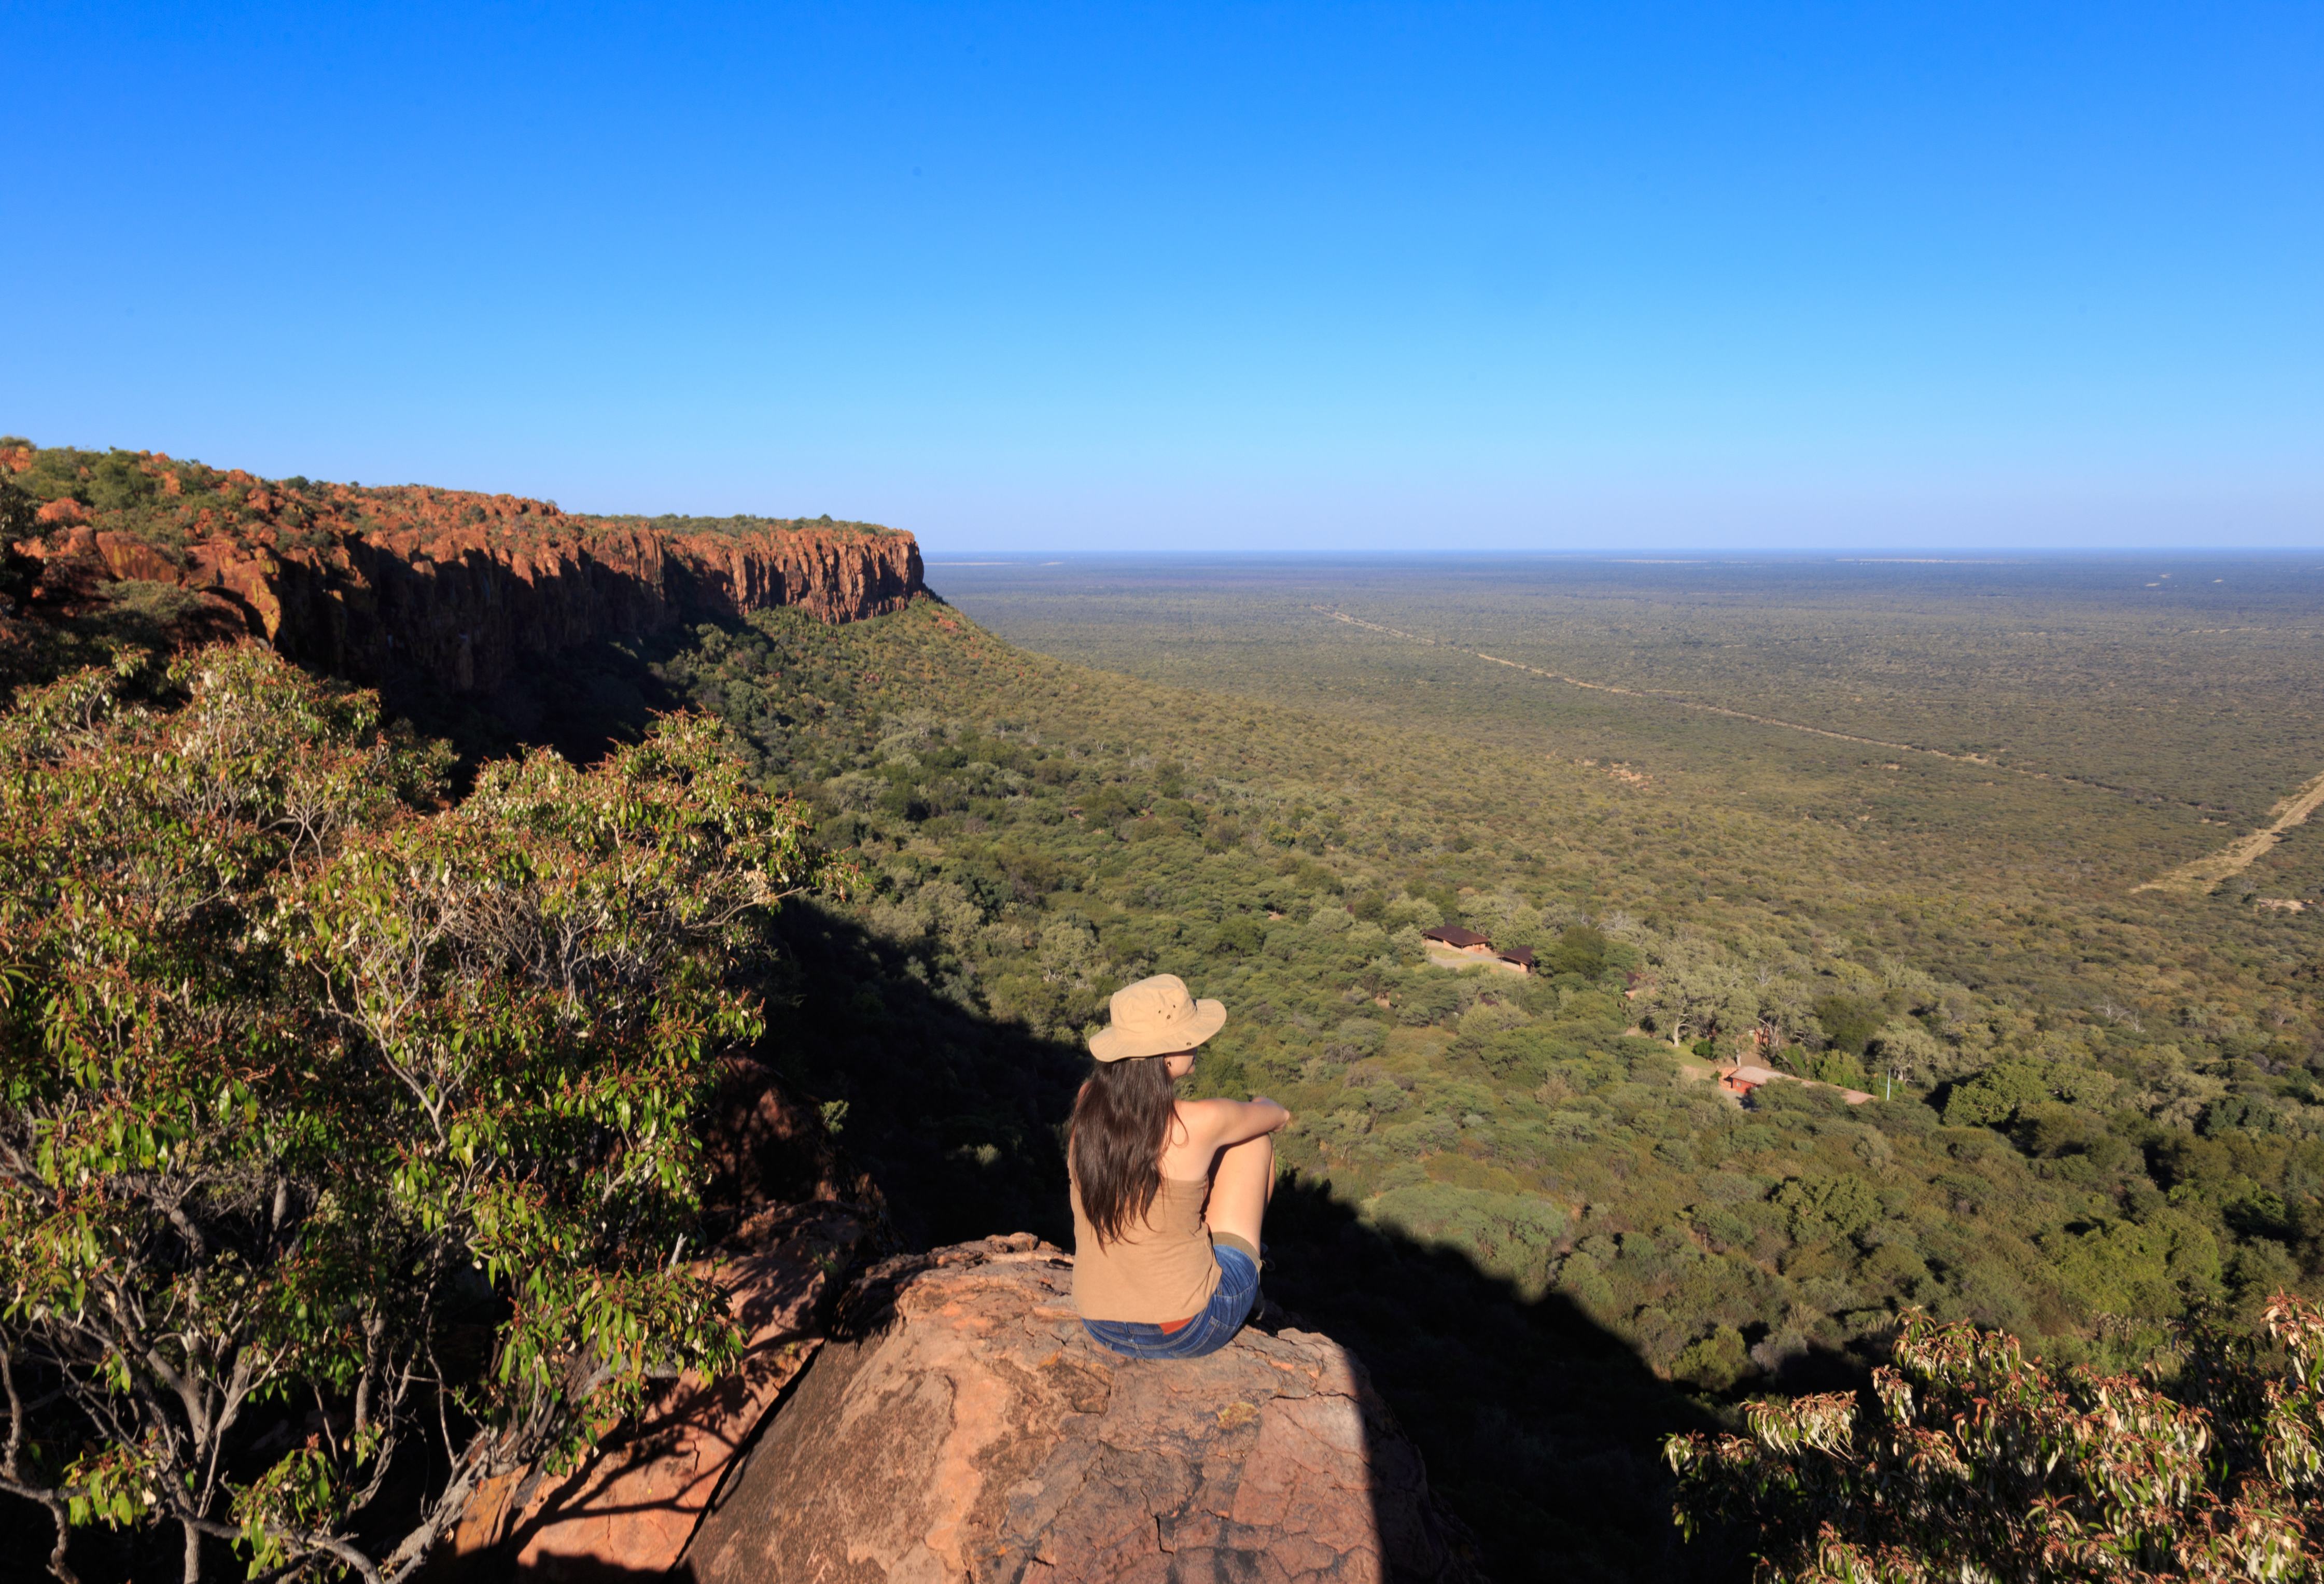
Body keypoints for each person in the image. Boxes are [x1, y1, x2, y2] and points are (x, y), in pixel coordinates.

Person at [1068, 973, 1291, 1358]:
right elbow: (1277, 1115)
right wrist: (1260, 1100)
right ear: (1167, 1054)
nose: (1199, 1044)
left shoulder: (1087, 1103)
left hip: (1099, 1323)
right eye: (1191, 1036)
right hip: (1186, 1328)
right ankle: (1249, 1279)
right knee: (1254, 1141)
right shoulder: (1197, 1121)